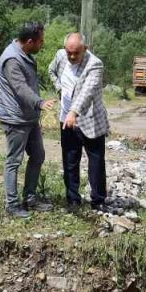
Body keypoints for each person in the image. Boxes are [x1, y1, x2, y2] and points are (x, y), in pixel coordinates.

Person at [0, 22, 56, 218]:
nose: (42, 45)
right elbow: (20, 88)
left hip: (28, 117)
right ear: (30, 41)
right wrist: (39, 103)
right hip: (16, 118)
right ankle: (11, 204)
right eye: (40, 42)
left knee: (37, 155)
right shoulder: (12, 59)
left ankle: (30, 198)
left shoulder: (24, 54)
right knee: (14, 161)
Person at [48, 32, 109, 211]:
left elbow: (86, 93)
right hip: (66, 120)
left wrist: (73, 112)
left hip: (90, 120)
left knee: (96, 162)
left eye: (76, 53)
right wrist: (59, 88)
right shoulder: (60, 56)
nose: (72, 56)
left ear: (85, 49)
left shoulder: (94, 64)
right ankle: (73, 199)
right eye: (69, 53)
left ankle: (98, 201)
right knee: (69, 160)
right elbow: (51, 70)